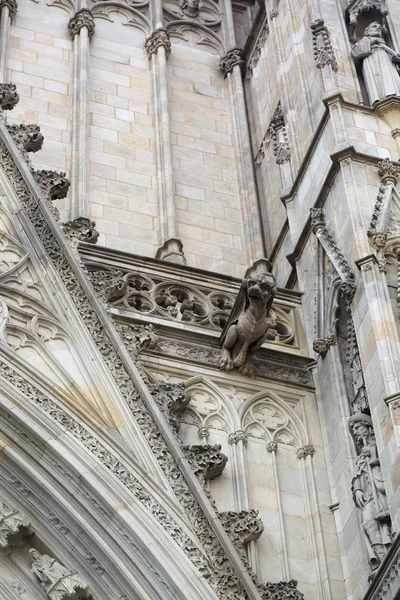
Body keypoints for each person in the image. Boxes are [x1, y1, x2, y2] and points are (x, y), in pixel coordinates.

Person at [352, 22, 400, 106]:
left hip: (386, 61)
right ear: (367, 31)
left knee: (389, 78)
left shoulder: (383, 44)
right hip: (372, 60)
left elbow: (393, 57)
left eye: (379, 28)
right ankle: (381, 99)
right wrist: (374, 41)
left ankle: (394, 95)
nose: (378, 28)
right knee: (378, 81)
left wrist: (395, 58)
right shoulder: (364, 41)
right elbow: (357, 51)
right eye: (374, 26)